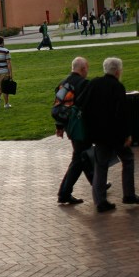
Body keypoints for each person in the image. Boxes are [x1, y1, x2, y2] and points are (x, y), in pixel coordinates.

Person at [78, 57, 139, 212]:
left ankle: (100, 201)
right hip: (115, 134)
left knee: (101, 165)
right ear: (117, 71)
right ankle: (129, 194)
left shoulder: (94, 83)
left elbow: (81, 103)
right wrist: (127, 135)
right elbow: (121, 114)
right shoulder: (117, 87)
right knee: (128, 159)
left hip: (98, 134)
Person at [55, 57, 95, 205]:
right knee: (80, 159)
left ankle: (97, 183)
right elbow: (88, 107)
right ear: (83, 69)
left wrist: (59, 126)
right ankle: (64, 193)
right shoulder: (83, 84)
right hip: (81, 128)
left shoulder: (63, 83)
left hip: (70, 127)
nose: (87, 72)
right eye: (87, 69)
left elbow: (60, 106)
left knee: (81, 157)